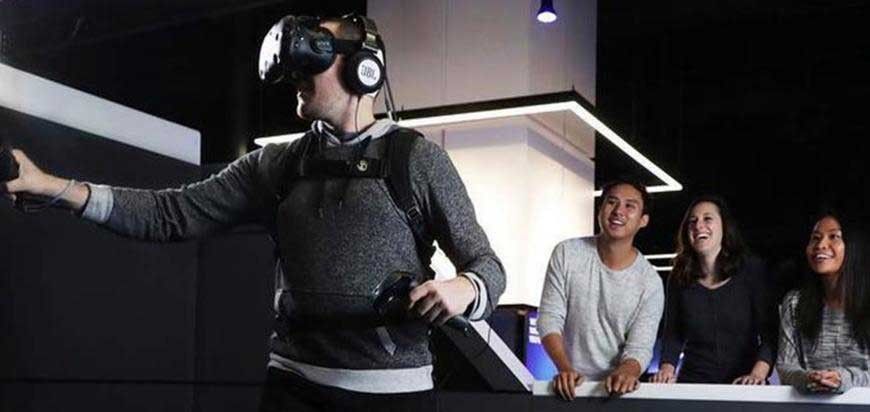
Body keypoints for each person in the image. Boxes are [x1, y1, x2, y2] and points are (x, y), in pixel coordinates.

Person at [1, 14, 506, 412]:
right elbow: (171, 213)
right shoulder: (278, 165)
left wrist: (466, 289)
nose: (298, 75)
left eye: (316, 56)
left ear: (363, 69)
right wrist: (57, 189)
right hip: (293, 388)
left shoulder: (417, 160)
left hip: (393, 396)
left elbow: (488, 267)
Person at [537, 180, 664, 400]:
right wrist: (565, 369)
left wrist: (627, 371)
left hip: (617, 394)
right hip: (568, 388)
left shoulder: (650, 283)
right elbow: (549, 318)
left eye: (629, 206)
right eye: (612, 202)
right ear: (600, 209)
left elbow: (640, 348)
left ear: (643, 220)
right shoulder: (567, 253)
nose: (618, 211)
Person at [650, 196, 776, 385]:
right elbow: (673, 334)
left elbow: (770, 334)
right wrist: (666, 369)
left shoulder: (752, 270)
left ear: (724, 227)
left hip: (744, 384)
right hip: (694, 383)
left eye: (707, 219)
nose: (698, 226)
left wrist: (757, 375)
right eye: (692, 221)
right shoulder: (679, 276)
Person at [777, 212, 870, 393]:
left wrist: (843, 378)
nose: (820, 245)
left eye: (833, 237)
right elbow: (785, 366)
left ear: (853, 246)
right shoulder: (794, 303)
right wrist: (809, 378)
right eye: (815, 238)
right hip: (811, 403)